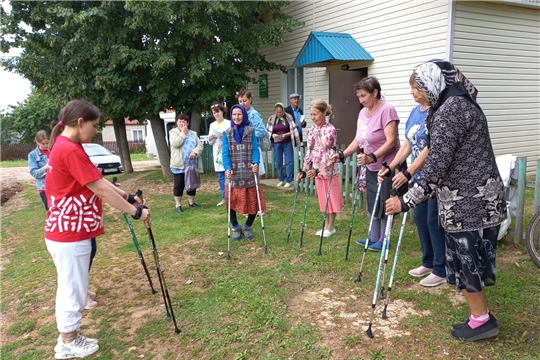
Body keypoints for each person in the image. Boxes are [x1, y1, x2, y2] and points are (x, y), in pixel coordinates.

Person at [385, 60, 505, 341]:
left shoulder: (451, 110)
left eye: (417, 87)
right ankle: (480, 316)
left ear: (433, 83)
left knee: (468, 260)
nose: (415, 94)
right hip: (471, 198)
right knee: (468, 260)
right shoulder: (457, 104)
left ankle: (481, 320)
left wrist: (406, 201)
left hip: (469, 201)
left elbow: (437, 165)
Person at [45, 99, 149, 359]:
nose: (96, 131)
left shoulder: (69, 145)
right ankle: (68, 342)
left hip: (68, 231)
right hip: (69, 233)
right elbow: (100, 189)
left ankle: (68, 337)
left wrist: (127, 196)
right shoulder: (68, 149)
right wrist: (136, 212)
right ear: (79, 123)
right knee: (72, 289)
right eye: (93, 126)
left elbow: (98, 179)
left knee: (71, 286)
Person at [377, 74, 446, 287]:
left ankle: (441, 269)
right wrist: (391, 166)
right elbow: (408, 144)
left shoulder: (438, 112)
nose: (412, 92)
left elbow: (431, 147)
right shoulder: (416, 112)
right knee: (421, 219)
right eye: (412, 88)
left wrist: (410, 171)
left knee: (434, 221)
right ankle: (428, 261)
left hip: (435, 178)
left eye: (416, 88)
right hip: (418, 177)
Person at [332, 76, 402, 251]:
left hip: (388, 166)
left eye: (363, 96)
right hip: (371, 167)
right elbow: (359, 139)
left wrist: (372, 156)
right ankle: (374, 237)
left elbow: (391, 141)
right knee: (372, 201)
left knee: (386, 202)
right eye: (359, 97)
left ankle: (384, 240)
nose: (361, 100)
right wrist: (343, 155)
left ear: (375, 92)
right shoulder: (363, 113)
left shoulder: (387, 110)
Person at [297, 99, 342, 237]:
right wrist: (303, 169)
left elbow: (329, 152)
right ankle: (326, 225)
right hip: (316, 169)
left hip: (328, 169)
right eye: (311, 114)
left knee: (331, 196)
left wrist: (318, 169)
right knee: (323, 197)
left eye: (315, 114)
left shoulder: (330, 130)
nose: (313, 117)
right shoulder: (311, 130)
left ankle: (331, 226)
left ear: (324, 113)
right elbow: (310, 152)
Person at [222, 104, 266, 240]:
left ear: (244, 115)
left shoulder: (250, 131)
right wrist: (227, 167)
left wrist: (255, 163)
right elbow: (225, 153)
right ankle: (235, 226)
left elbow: (255, 150)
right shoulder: (227, 133)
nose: (236, 117)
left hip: (249, 173)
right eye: (234, 114)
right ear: (231, 116)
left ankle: (247, 225)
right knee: (231, 203)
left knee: (253, 201)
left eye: (239, 114)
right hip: (233, 174)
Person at [169, 113, 204, 212]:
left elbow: (200, 145)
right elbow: (175, 143)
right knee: (179, 184)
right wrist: (183, 133)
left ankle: (191, 202)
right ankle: (178, 205)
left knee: (192, 183)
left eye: (184, 122)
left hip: (192, 163)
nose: (181, 123)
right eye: (180, 121)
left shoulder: (193, 133)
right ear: (176, 122)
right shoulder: (173, 132)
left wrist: (194, 152)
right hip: (179, 164)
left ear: (187, 123)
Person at [266, 102, 301, 188]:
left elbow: (293, 129)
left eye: (280, 112)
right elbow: (268, 130)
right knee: (278, 162)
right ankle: (281, 179)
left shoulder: (288, 117)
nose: (279, 114)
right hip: (277, 143)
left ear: (283, 111)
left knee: (289, 161)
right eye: (277, 112)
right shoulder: (271, 119)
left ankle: (288, 180)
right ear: (275, 111)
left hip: (287, 142)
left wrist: (286, 135)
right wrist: (273, 135)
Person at [237, 89, 266, 177]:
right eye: (240, 101)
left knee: (254, 178)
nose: (243, 103)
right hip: (242, 149)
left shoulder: (254, 114)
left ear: (250, 99)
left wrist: (247, 134)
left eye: (245, 100)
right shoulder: (239, 114)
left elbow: (262, 131)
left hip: (253, 149)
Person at [208, 103, 232, 206]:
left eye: (217, 112)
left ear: (222, 111)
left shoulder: (229, 123)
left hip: (226, 150)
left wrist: (225, 138)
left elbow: (233, 138)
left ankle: (231, 196)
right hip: (217, 151)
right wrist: (211, 138)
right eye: (214, 113)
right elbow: (210, 143)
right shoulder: (212, 125)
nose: (216, 114)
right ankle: (224, 198)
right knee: (220, 176)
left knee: (228, 174)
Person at [28, 130, 50, 210]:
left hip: (58, 186)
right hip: (44, 188)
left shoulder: (55, 150)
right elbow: (34, 173)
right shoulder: (32, 155)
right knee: (50, 211)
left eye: (47, 143)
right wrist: (45, 168)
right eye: (43, 144)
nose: (46, 145)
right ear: (37, 142)